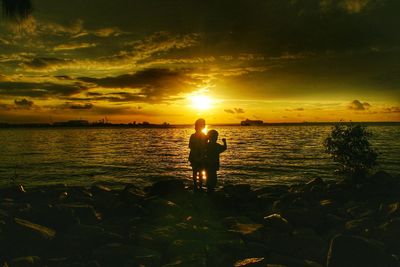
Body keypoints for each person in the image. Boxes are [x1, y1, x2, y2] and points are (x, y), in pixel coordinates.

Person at [188, 118, 207, 191]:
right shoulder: (195, 136)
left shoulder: (203, 136)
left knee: (198, 172)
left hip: (198, 156)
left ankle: (198, 186)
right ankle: (198, 186)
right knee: (197, 172)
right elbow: (190, 146)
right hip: (196, 156)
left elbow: (190, 146)